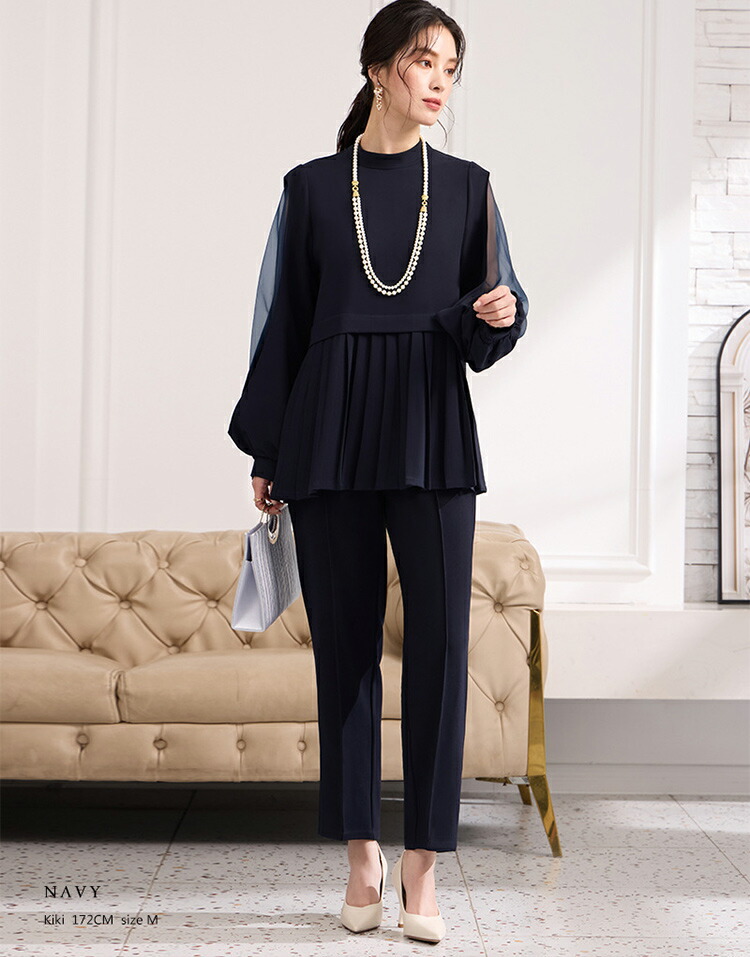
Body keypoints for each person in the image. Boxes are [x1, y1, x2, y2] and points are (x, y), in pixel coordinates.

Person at [227, 0, 528, 943]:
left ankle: (422, 865)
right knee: (346, 653)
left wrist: (502, 314)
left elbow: (497, 314)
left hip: (432, 428)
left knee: (440, 651)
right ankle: (362, 855)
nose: (439, 80)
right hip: (327, 434)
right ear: (377, 68)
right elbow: (280, 324)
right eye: (424, 60)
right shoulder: (312, 188)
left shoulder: (470, 187)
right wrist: (269, 452)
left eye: (451, 67)